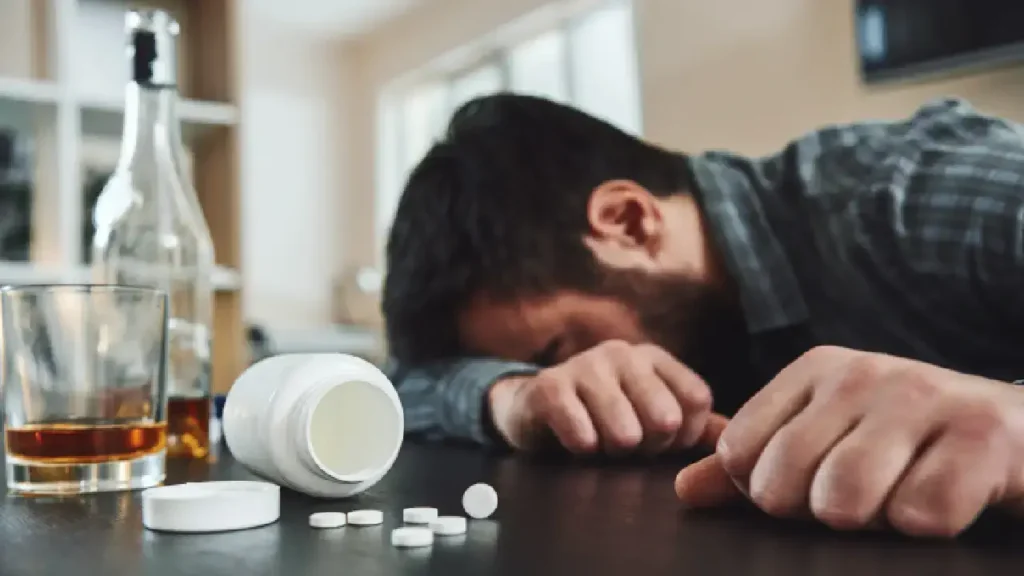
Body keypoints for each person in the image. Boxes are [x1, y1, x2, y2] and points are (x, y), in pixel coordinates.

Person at [382, 93, 1024, 538]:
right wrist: (511, 395)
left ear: (628, 222)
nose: (582, 377)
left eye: (558, 350)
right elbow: (401, 386)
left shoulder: (917, 194)